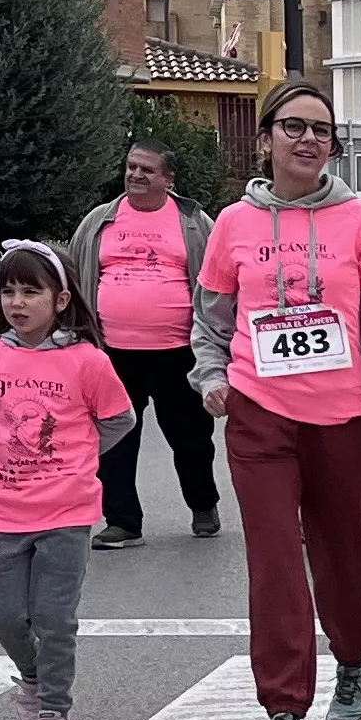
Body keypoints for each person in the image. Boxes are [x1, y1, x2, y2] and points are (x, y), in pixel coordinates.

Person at [191, 77, 361, 720]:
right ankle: (281, 709)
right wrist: (212, 377)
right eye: (293, 126)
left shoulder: (360, 224)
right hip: (258, 416)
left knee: (346, 549)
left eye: (320, 129)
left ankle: (352, 657)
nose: (307, 139)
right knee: (274, 560)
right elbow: (210, 322)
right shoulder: (232, 224)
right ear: (265, 139)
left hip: (344, 416)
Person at [0, 241, 135, 720]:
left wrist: (78, 457)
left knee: (53, 617)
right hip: (5, 511)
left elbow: (119, 420)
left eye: (31, 291)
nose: (17, 302)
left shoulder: (87, 361)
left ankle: (55, 713)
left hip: (67, 513)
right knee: (3, 615)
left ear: (61, 300)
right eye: (9, 290)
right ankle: (33, 676)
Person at [68, 140, 222, 548]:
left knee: (190, 439)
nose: (136, 175)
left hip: (178, 353)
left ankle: (203, 503)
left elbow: (219, 281)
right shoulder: (100, 221)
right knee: (115, 437)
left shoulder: (194, 223)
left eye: (147, 170)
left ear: (169, 180)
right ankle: (122, 521)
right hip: (112, 354)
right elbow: (76, 279)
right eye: (131, 167)